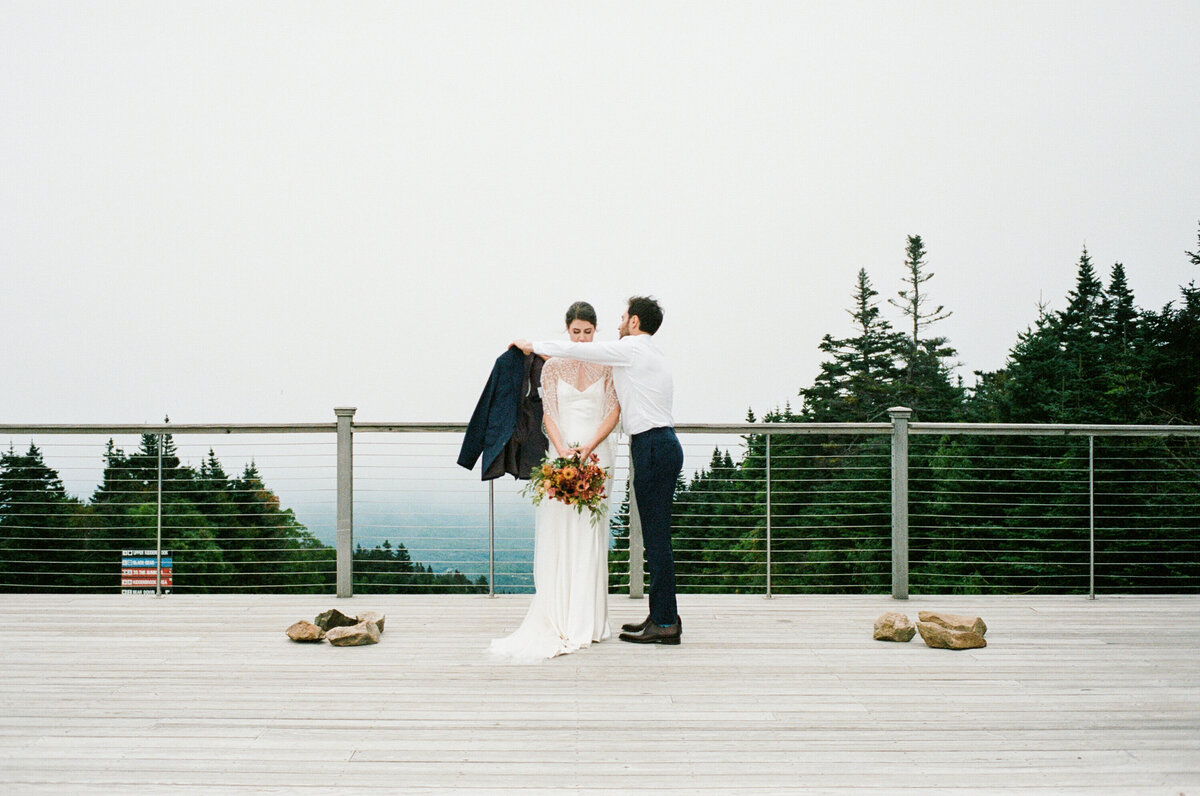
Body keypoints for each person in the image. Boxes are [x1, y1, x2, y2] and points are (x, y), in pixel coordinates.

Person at [512, 296, 684, 645]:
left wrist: (532, 346)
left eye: (623, 317)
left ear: (634, 322)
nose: (619, 322)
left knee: (657, 539)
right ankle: (661, 614)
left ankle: (665, 622)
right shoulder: (649, 352)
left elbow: (586, 354)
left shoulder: (632, 349)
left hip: (653, 445)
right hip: (657, 443)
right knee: (655, 537)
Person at [489, 301, 621, 661]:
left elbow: (613, 410)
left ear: (596, 331)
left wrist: (590, 448)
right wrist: (563, 451)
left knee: (591, 534)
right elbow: (549, 415)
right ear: (567, 330)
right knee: (560, 531)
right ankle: (560, 613)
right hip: (561, 452)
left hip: (598, 454)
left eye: (588, 332)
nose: (581, 338)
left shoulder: (607, 364)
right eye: (576, 331)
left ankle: (589, 620)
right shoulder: (553, 367)